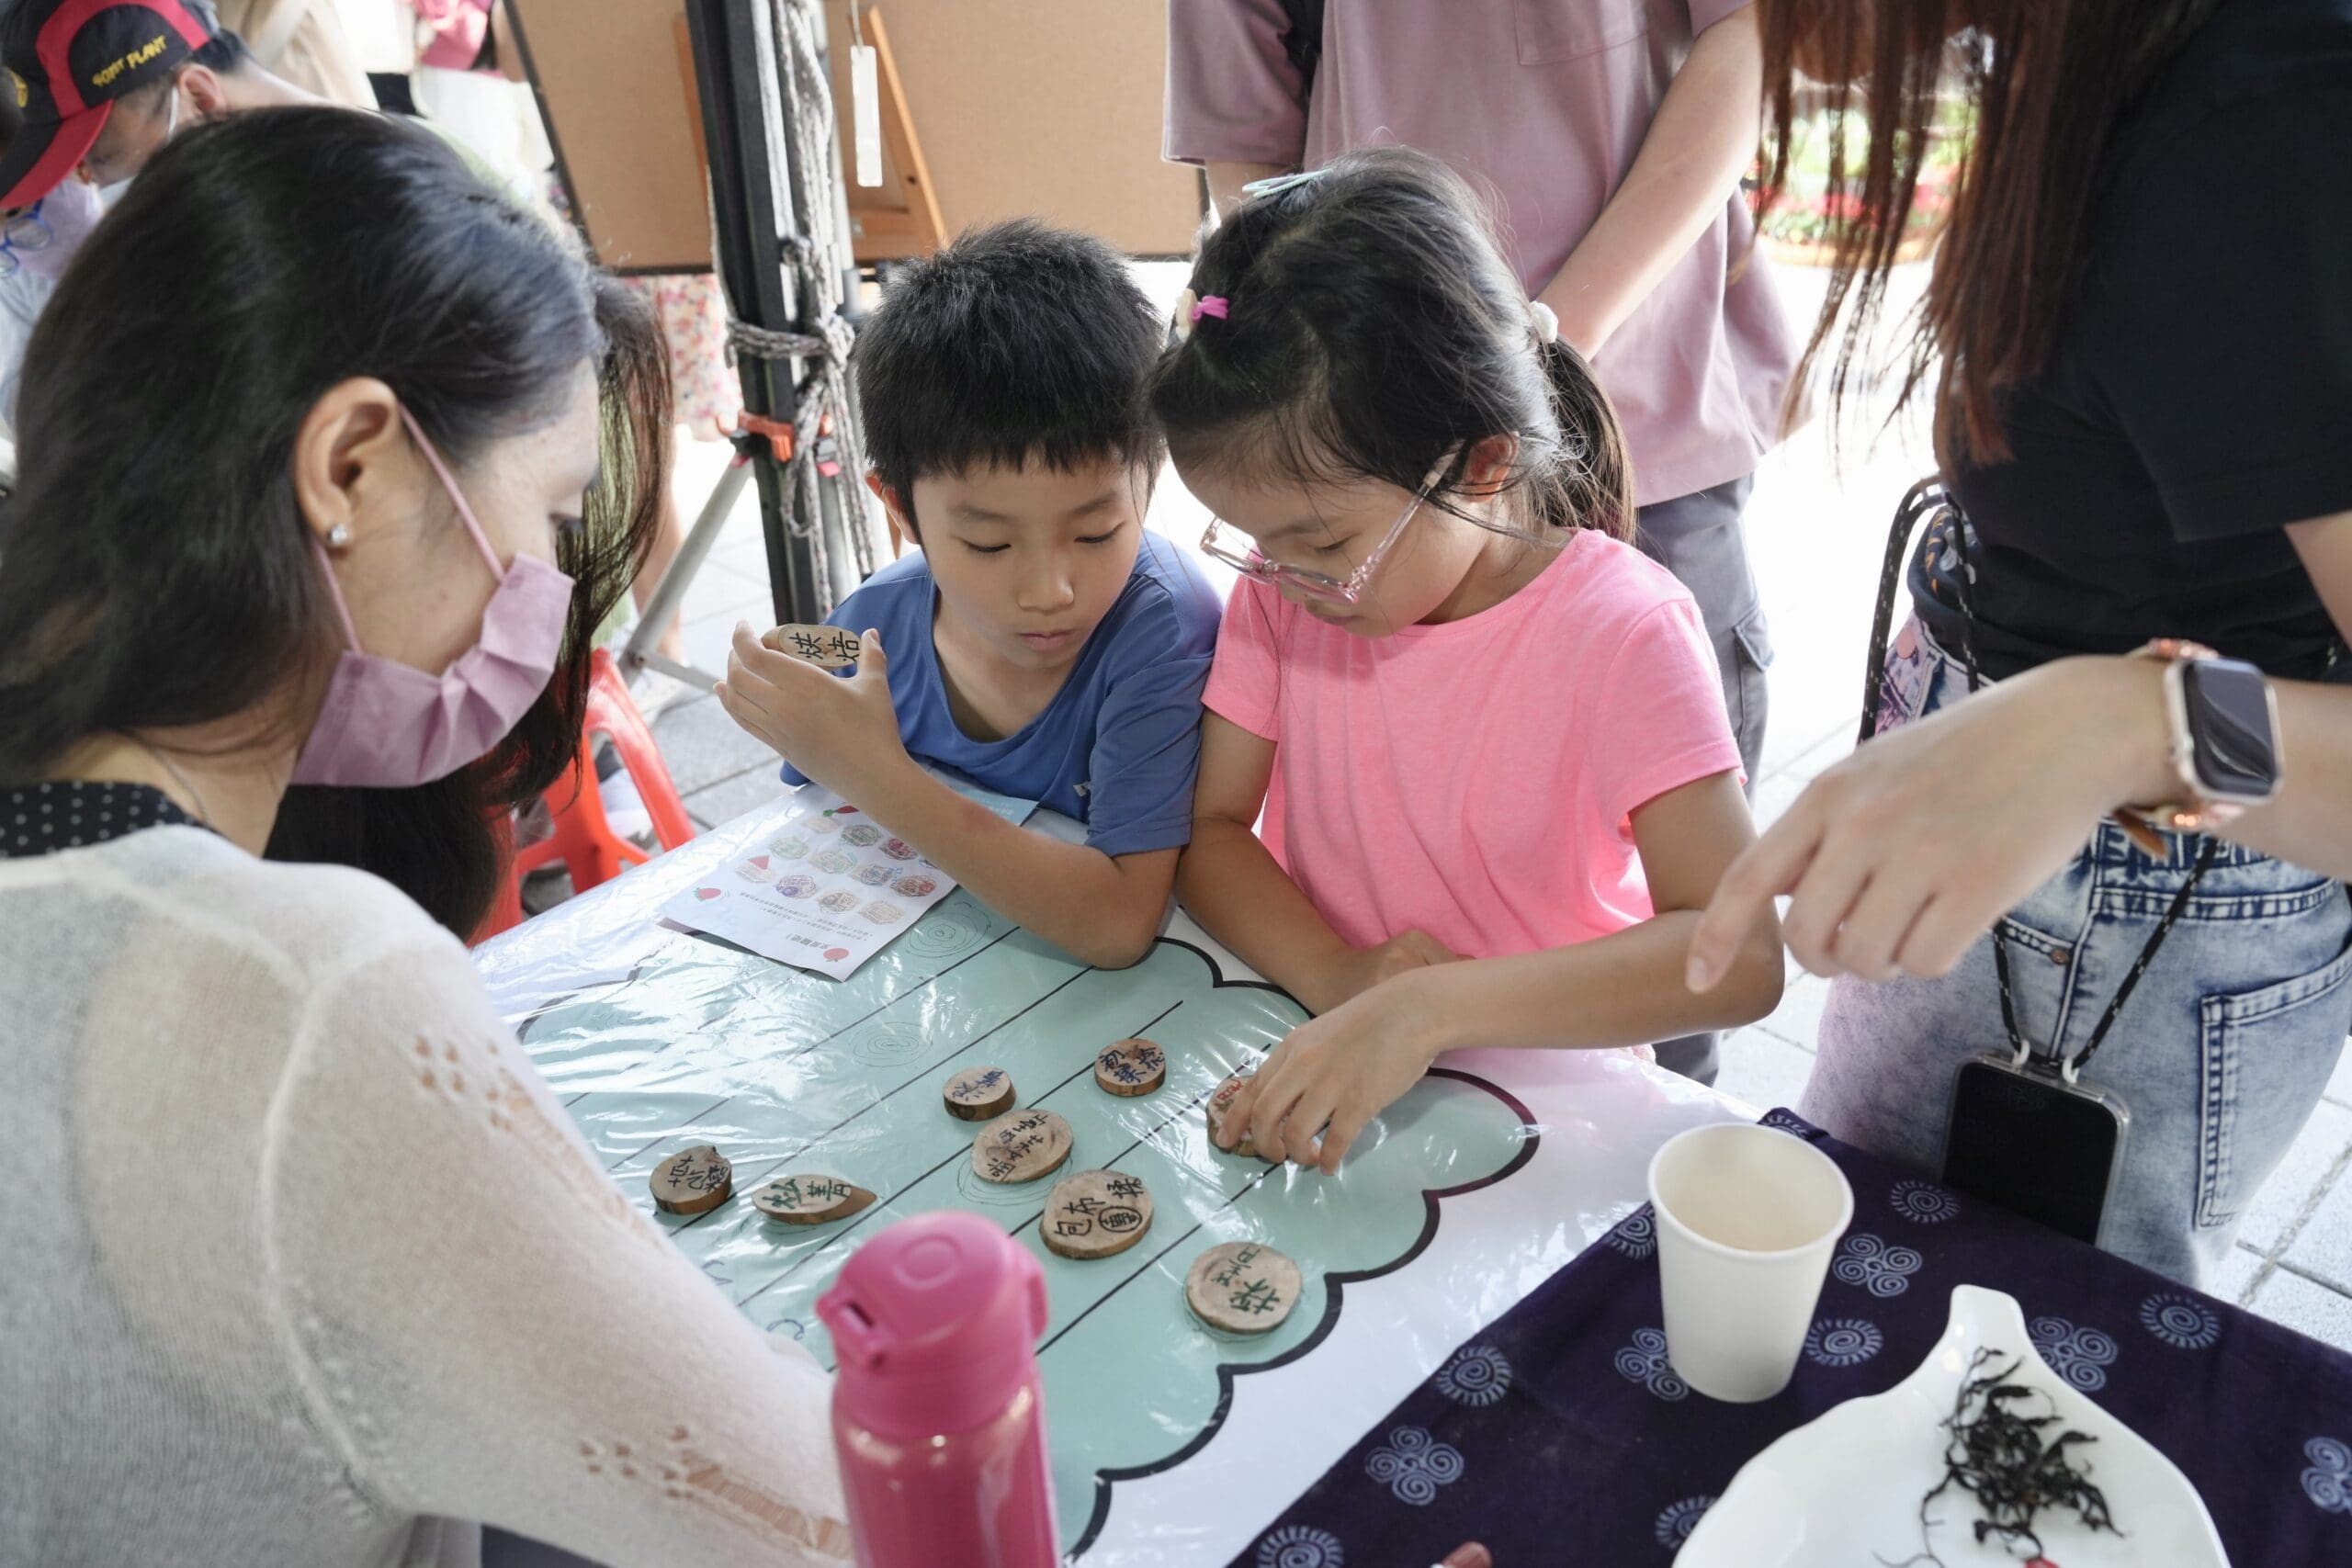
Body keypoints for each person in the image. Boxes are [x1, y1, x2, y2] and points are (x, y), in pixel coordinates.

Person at [0, 109, 848, 1564]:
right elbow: (821, 1512)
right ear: (351, 466)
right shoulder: (298, 994)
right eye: (554, 510)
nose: (551, 586)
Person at [1685, 0, 2352, 1289]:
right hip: (2024, 810)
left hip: (2144, 889)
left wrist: (2130, 724)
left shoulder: (2262, 108)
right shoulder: (2099, 58)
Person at [1166, 0, 1801, 1088]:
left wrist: (1433, 1007)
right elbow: (1213, 832)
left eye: (1319, 541)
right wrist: (1346, 979)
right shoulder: (1293, 582)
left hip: (1566, 1115)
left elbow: (1737, 959)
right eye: (1256, 542)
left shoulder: (1622, 629)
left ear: (1482, 463)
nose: (1282, 579)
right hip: (1357, 1074)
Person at [716, 220, 1223, 971]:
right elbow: (816, 829)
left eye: (1096, 532)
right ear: (898, 508)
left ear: (1150, 480)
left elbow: (1118, 921)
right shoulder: (872, 628)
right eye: (989, 544)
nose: (1051, 591)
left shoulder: (1162, 631)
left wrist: (878, 773)